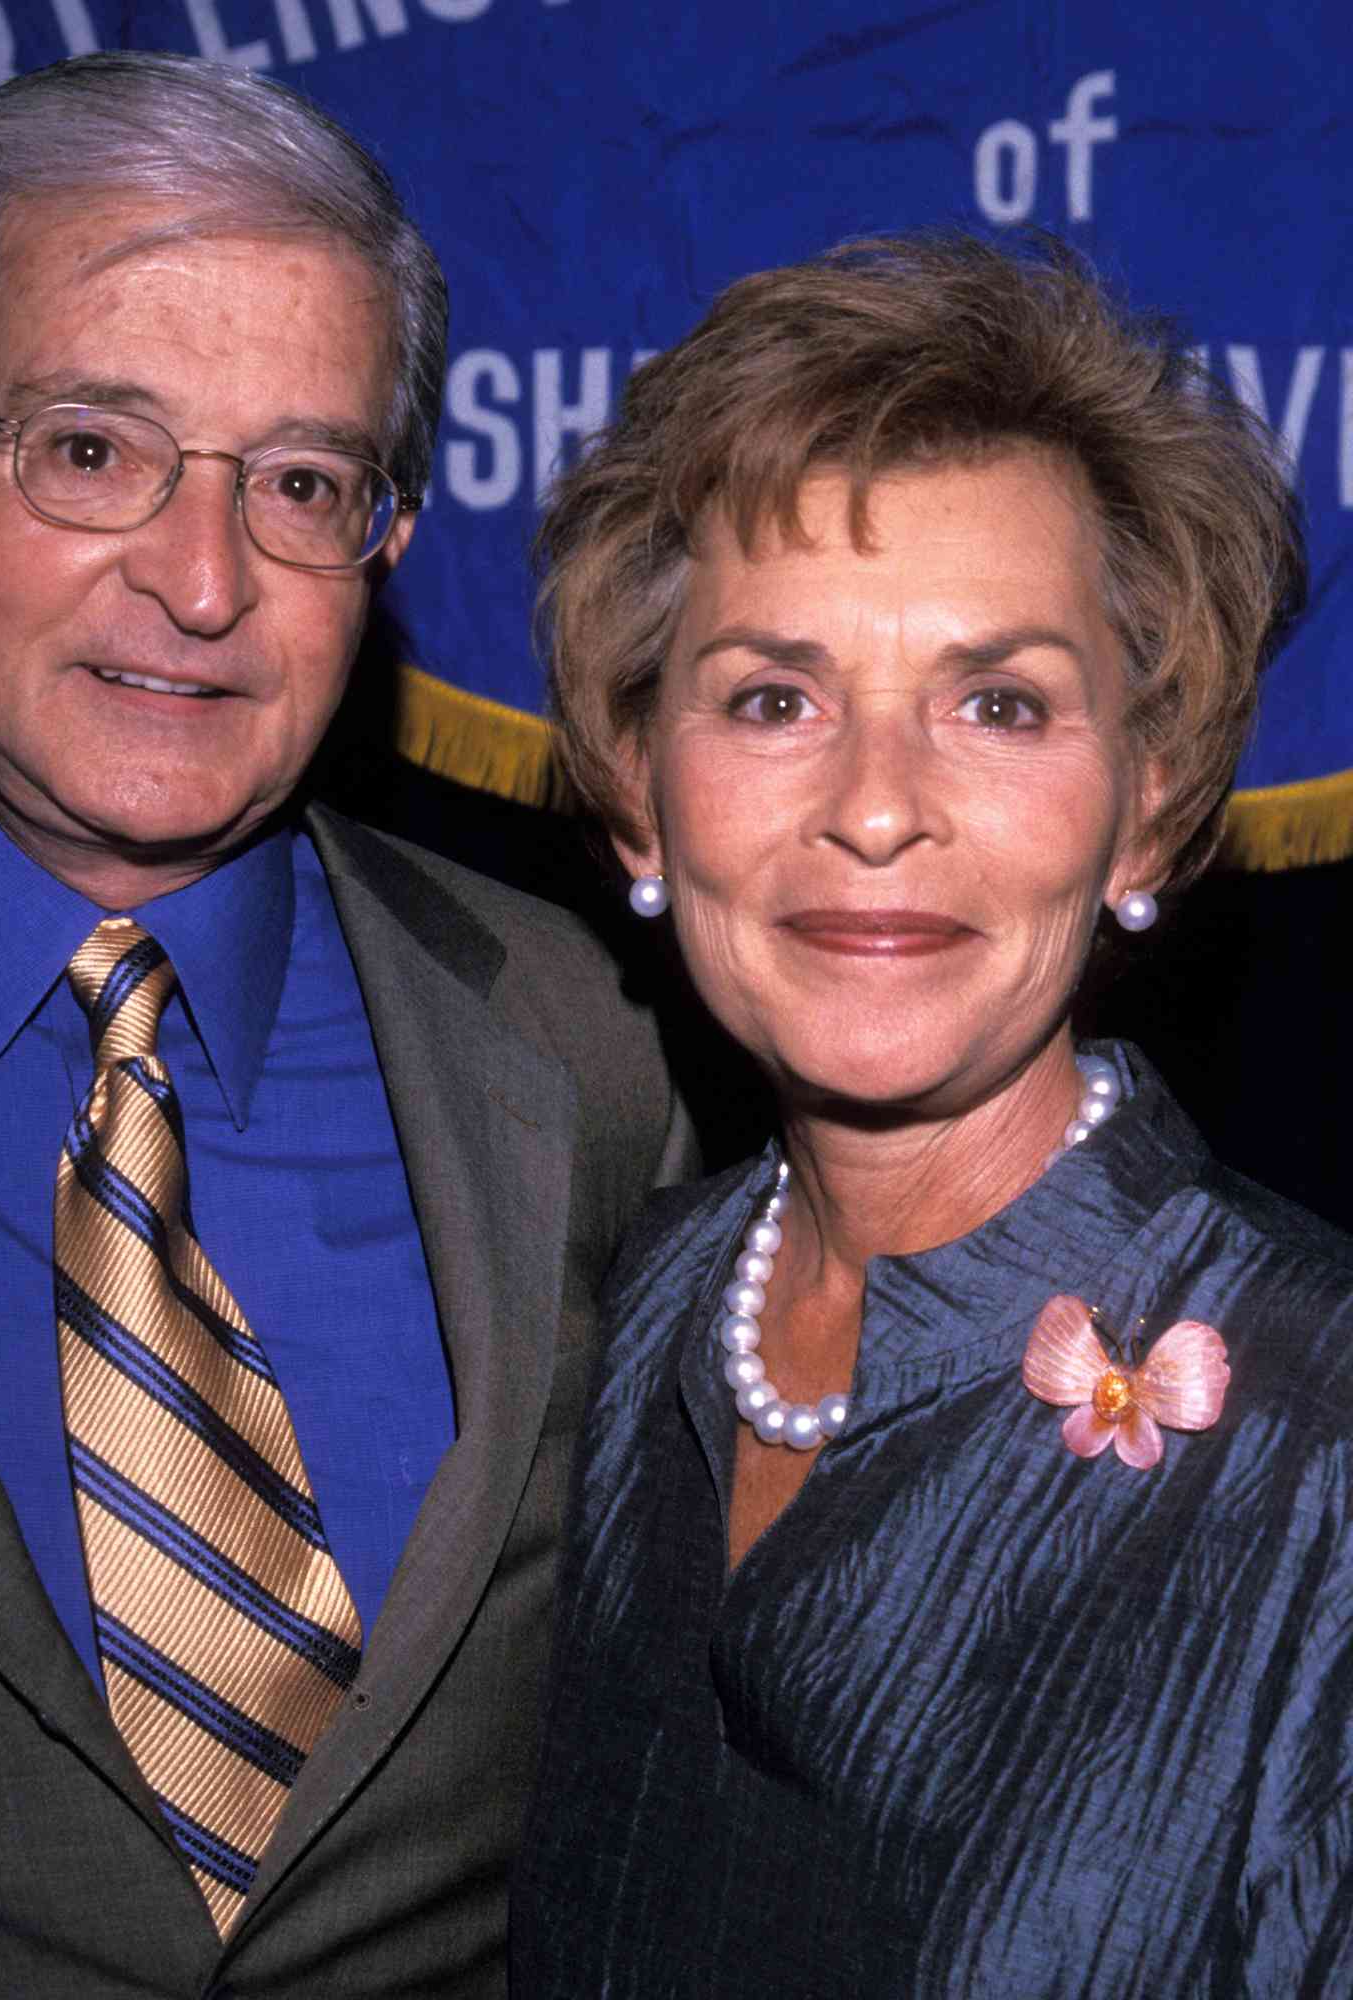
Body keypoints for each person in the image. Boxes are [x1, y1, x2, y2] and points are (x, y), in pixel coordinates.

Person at [0, 51, 691, 1997]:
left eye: (302, 482)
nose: (199, 581)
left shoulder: (597, 1055)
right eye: (90, 448)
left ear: (389, 544)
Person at [510, 233, 1353, 1996]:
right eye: (772, 697)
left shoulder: (1320, 1429)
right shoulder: (642, 1291)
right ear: (642, 801)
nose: (877, 807)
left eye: (997, 702)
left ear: (1145, 804)